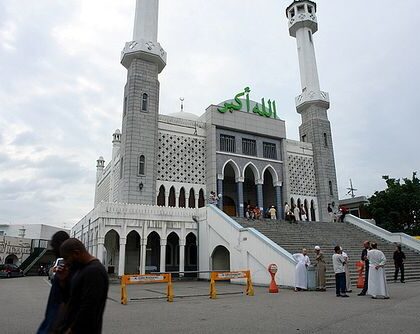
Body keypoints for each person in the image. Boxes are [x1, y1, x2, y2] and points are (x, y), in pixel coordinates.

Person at [59, 238, 109, 333]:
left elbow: (89, 308)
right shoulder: (81, 269)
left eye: (66, 258)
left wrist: (71, 330)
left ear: (76, 253)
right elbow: (71, 299)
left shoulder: (94, 271)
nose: (65, 262)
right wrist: (63, 281)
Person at [37, 231, 70, 334]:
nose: (53, 249)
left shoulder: (69, 271)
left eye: (54, 245)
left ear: (61, 245)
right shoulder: (63, 269)